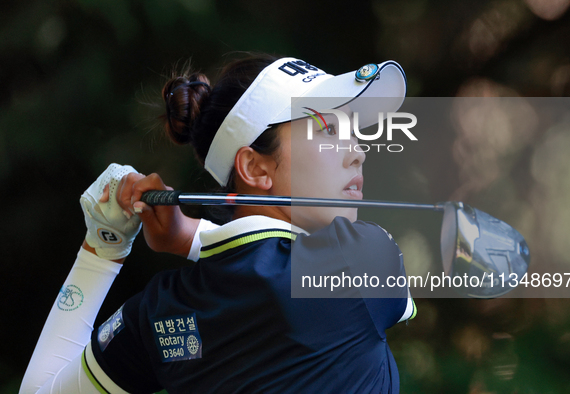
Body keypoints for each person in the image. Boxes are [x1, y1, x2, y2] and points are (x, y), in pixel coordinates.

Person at [20, 54, 416, 394]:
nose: (357, 153)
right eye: (328, 130)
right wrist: (187, 238)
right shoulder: (363, 258)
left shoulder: (163, 311)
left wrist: (103, 247)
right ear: (254, 167)